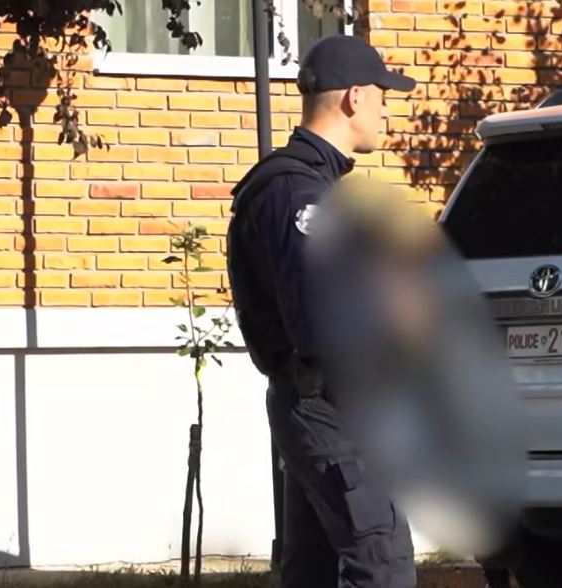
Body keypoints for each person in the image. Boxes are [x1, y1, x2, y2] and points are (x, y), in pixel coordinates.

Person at [226, 34, 418, 587]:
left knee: (313, 570)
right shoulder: (300, 195)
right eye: (382, 96)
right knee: (381, 563)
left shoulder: (310, 186)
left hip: (317, 405)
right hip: (326, 407)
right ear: (355, 97)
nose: (385, 111)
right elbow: (320, 326)